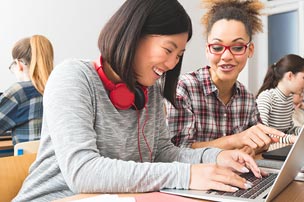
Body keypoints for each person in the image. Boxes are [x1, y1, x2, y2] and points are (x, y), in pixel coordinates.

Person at [14, 1, 264, 201]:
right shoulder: (73, 77)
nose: (172, 64)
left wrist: (215, 157)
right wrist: (188, 175)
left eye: (179, 55)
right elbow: (84, 172)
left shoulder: (150, 91)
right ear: (133, 34)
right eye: (168, 50)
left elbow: (164, 153)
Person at [165, 0, 285, 156]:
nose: (227, 56)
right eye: (217, 47)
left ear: (250, 50)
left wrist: (251, 147)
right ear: (207, 50)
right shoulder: (184, 88)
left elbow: (261, 141)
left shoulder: (246, 97)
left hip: (238, 175)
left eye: (237, 47)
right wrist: (234, 140)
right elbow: (177, 151)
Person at [256, 54, 304, 146]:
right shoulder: (267, 97)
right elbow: (263, 133)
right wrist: (292, 139)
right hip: (267, 151)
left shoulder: (288, 99)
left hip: (282, 148)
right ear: (290, 76)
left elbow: (289, 129)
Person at [0, 35, 54, 145]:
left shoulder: (19, 92)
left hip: (27, 162)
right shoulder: (58, 88)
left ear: (19, 64)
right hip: (58, 160)